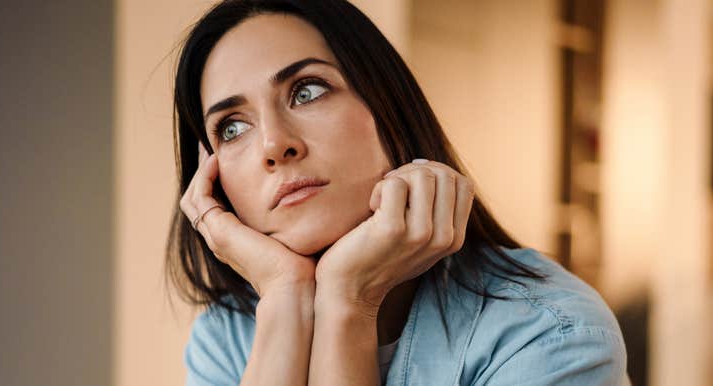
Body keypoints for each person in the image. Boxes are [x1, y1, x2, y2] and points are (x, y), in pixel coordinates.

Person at [166, 0, 628, 385]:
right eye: (232, 127)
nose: (273, 144)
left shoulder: (550, 333)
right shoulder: (227, 337)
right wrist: (285, 297)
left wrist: (350, 300)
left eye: (306, 91)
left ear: (389, 104)